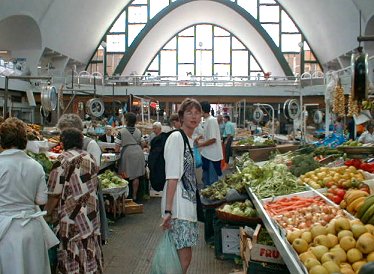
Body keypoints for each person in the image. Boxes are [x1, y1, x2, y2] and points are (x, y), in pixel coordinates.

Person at [0, 117, 58, 274]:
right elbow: (41, 200)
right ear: (24, 140)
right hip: (32, 229)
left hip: (4, 229)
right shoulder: (36, 166)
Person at [45, 128, 103, 273]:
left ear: (63, 142)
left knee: (71, 249)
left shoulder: (62, 160)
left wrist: (46, 213)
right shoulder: (90, 158)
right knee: (89, 246)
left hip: (71, 216)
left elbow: (54, 193)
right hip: (90, 214)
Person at [161, 98, 202, 274]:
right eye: (189, 113)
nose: (194, 116)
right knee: (183, 260)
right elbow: (172, 176)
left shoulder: (189, 140)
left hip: (187, 206)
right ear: (181, 117)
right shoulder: (176, 137)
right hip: (178, 208)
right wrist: (168, 211)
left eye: (197, 113)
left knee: (183, 259)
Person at [57, 113, 109, 244]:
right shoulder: (65, 145)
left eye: (65, 131)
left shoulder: (90, 144)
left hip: (88, 193)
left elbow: (95, 169)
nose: (62, 136)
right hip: (72, 196)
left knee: (87, 228)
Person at [115, 112, 145, 202]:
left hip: (127, 153)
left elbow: (117, 147)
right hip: (138, 153)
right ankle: (135, 196)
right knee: (136, 175)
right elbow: (143, 143)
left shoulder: (121, 132)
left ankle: (125, 196)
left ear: (126, 120)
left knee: (124, 174)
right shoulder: (139, 131)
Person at [195, 101, 223, 186]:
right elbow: (206, 134)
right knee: (205, 178)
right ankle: (207, 196)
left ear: (202, 111)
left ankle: (213, 199)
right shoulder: (207, 120)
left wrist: (200, 144)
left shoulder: (212, 120)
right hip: (207, 154)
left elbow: (213, 139)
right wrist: (199, 137)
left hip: (212, 156)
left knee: (212, 181)